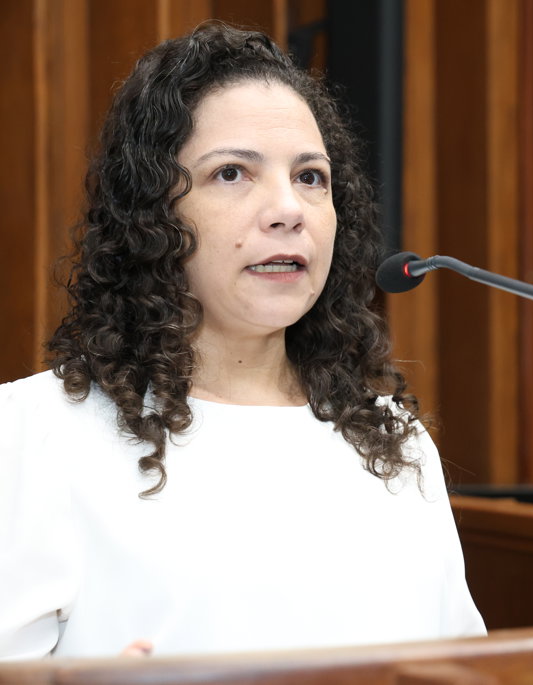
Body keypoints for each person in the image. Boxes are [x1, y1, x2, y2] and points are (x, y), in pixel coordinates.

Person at [0, 22, 485, 660]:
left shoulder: (392, 438)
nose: (289, 208)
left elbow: (467, 668)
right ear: (152, 214)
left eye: (312, 177)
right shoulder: (37, 433)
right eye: (232, 173)